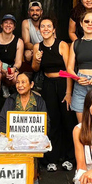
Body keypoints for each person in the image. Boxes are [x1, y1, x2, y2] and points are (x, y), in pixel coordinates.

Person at [32, 16, 75, 172]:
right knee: (52, 121)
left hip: (63, 83)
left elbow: (69, 71)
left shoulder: (62, 45)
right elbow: (35, 69)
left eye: (48, 26)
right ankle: (52, 158)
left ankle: (69, 158)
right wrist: (36, 60)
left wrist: (69, 92)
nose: (45, 29)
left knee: (67, 120)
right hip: (48, 85)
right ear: (39, 29)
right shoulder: (37, 46)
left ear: (54, 29)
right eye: (42, 26)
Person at [0, 72, 49, 184]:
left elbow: (46, 121)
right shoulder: (11, 100)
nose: (20, 85)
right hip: (14, 141)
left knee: (32, 156)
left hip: (32, 142)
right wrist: (9, 136)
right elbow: (2, 120)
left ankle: (34, 179)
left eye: (23, 82)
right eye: (18, 82)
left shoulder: (39, 101)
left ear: (31, 84)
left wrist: (39, 138)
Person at [0, 13, 24, 106]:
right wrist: (2, 70)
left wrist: (13, 69)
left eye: (11, 23)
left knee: (16, 77)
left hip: (10, 69)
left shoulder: (19, 41)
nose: (8, 25)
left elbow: (18, 62)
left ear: (14, 27)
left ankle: (17, 101)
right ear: (1, 25)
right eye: (6, 22)